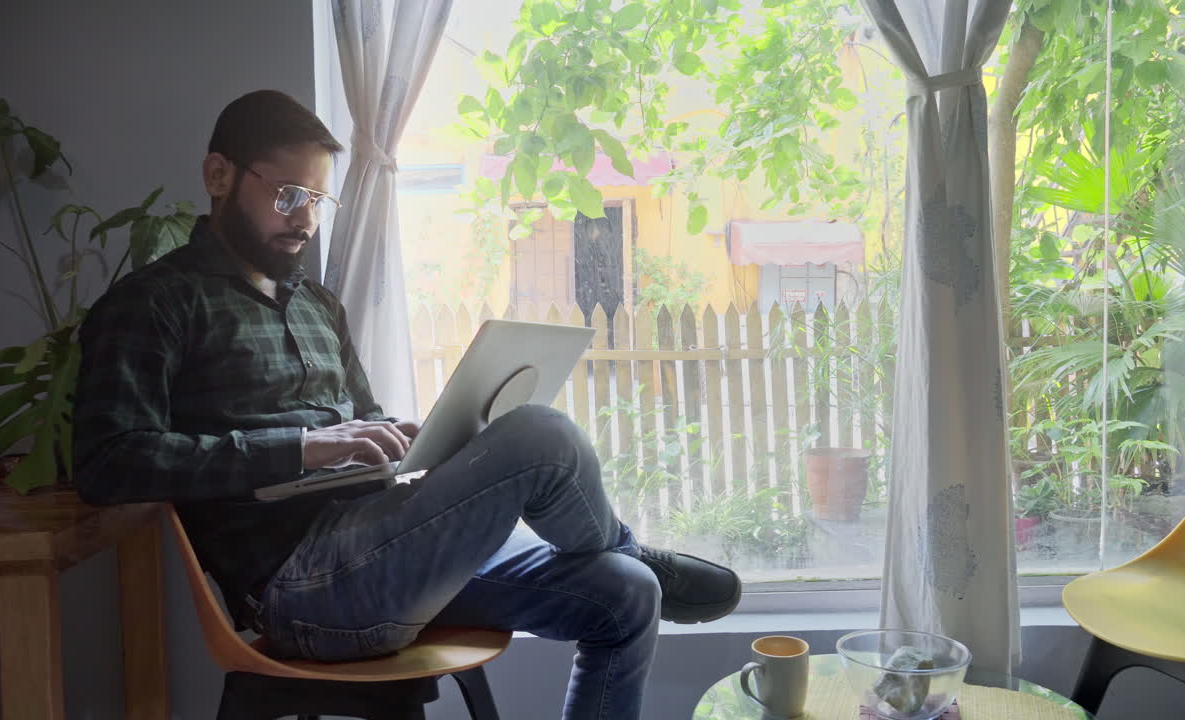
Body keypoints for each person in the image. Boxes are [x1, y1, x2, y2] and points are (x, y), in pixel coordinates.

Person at [73, 89, 741, 720]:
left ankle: (633, 563)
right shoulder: (154, 304)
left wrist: (405, 439)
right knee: (539, 434)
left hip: (378, 543)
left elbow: (360, 424)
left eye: (316, 198)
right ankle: (629, 546)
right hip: (301, 589)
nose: (305, 216)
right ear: (218, 175)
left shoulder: (317, 306)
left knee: (627, 595)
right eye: (287, 194)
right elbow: (108, 462)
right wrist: (301, 448)